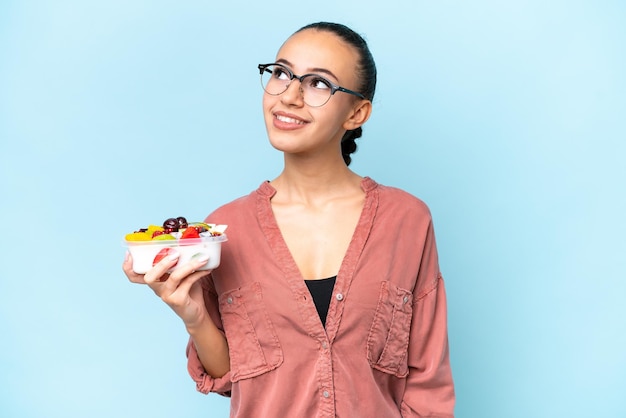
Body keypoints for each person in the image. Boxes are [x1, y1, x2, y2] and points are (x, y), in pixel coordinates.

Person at [123, 21, 455, 418]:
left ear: (357, 112)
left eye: (318, 83)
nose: (289, 96)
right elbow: (229, 377)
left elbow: (428, 385)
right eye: (281, 73)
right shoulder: (225, 229)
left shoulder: (407, 221)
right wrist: (193, 316)